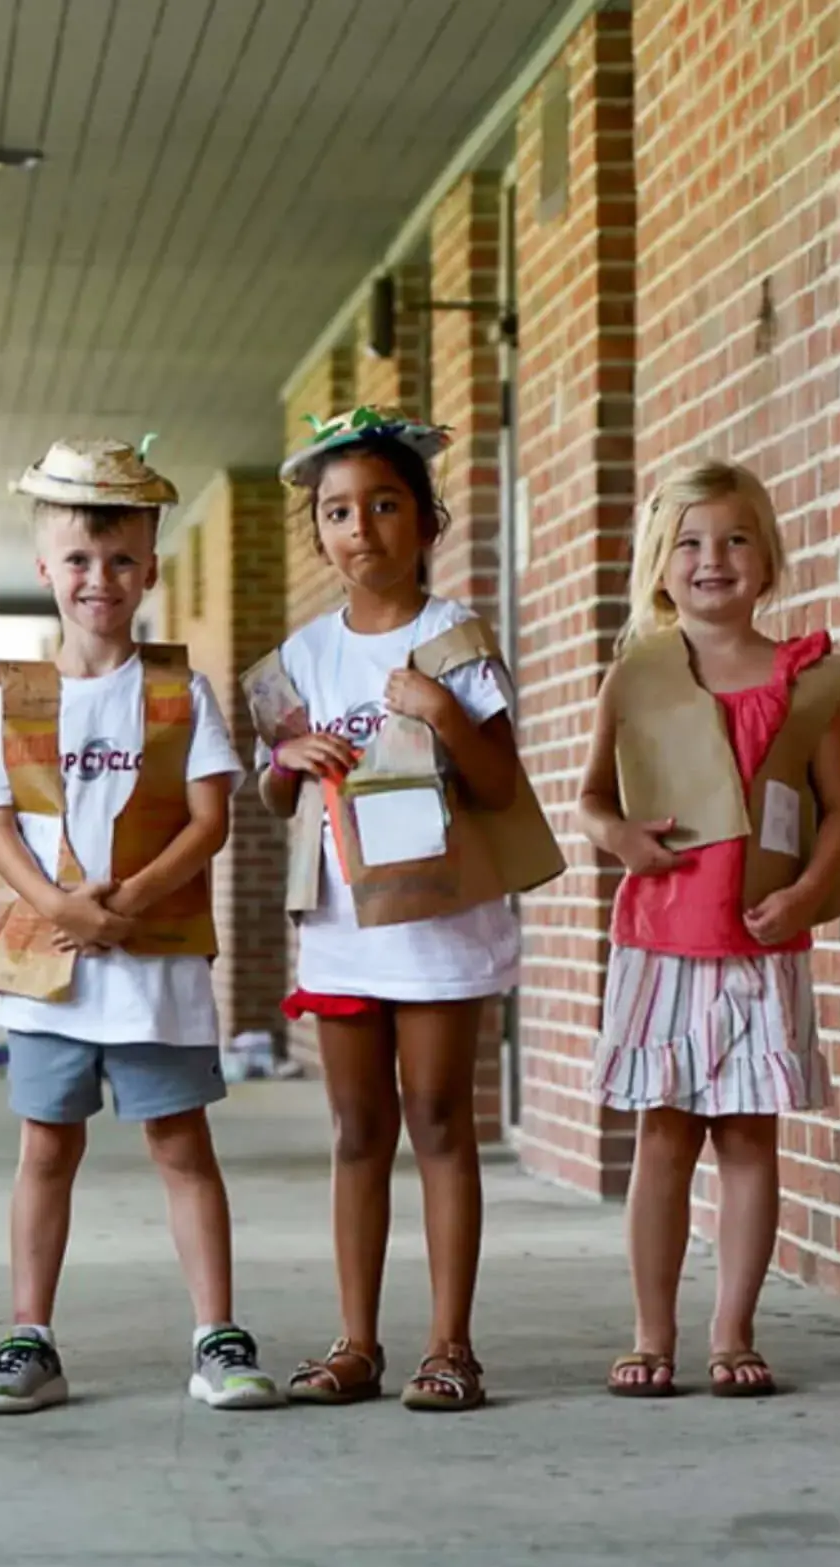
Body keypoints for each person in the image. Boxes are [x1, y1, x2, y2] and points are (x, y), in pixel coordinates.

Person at [245, 408, 563, 1412]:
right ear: (319, 535)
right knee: (354, 1130)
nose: (361, 527)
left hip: (438, 930)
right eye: (338, 511)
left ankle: (450, 1344)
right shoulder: (300, 655)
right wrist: (286, 761)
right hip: (342, 931)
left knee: (436, 1119)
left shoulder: (454, 637)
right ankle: (354, 1340)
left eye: (384, 505)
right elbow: (272, 790)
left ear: (428, 522)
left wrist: (446, 712)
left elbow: (503, 784)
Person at [0, 439, 281, 1415]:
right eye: (78, 560)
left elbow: (210, 817)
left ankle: (217, 1333)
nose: (98, 579)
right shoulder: (17, 695)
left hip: (153, 970)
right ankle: (31, 1336)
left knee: (180, 1144)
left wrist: (130, 899)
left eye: (120, 561)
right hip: (48, 965)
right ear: (44, 570)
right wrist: (58, 905)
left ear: (148, 568)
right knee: (45, 1148)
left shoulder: (179, 694)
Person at [578, 460, 840, 1400]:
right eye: (691, 542)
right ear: (661, 565)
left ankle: (733, 1329)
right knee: (664, 1138)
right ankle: (650, 1332)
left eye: (736, 539)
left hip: (762, 942)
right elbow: (588, 802)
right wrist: (619, 836)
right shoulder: (641, 675)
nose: (714, 559)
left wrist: (809, 894)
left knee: (748, 1140)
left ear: (767, 557)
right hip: (663, 940)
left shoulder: (805, 680)